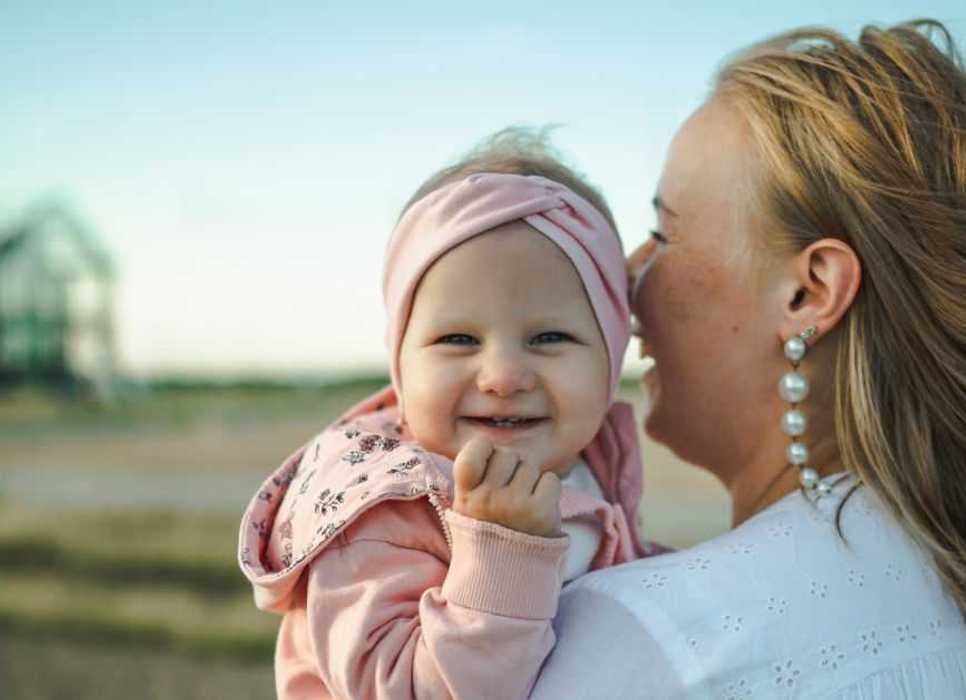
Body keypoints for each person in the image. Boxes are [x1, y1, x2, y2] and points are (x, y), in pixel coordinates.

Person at [530, 20, 966, 698]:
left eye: (664, 234)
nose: (625, 277)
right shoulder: (961, 621)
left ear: (809, 292)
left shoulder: (651, 644)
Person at [238, 131, 656, 698]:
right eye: (458, 338)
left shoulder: (594, 466)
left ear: (609, 357)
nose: (504, 376)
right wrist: (502, 550)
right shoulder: (379, 510)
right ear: (400, 364)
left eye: (551, 336)